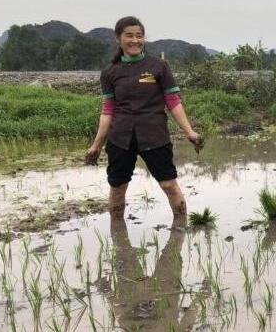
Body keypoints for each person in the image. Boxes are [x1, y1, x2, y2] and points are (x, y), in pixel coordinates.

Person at [85, 16, 201, 219]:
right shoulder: (110, 72)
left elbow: (173, 102)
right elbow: (108, 111)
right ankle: (118, 238)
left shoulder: (158, 66)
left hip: (154, 135)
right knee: (118, 187)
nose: (135, 40)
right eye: (129, 35)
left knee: (168, 184)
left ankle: (181, 229)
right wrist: (96, 145)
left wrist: (189, 131)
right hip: (120, 139)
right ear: (118, 38)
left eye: (139, 36)